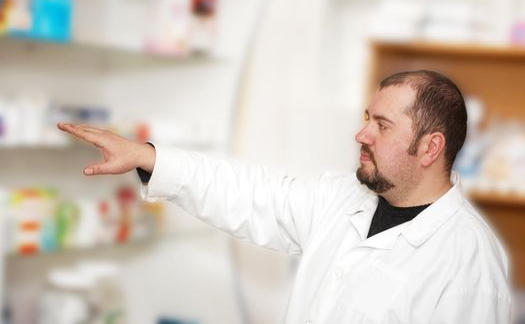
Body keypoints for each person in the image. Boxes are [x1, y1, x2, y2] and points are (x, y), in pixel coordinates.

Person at [57, 70, 511, 323]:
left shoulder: (467, 260)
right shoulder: (343, 199)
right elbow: (250, 193)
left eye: (382, 125)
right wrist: (148, 156)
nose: (361, 133)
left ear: (431, 147)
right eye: (367, 117)